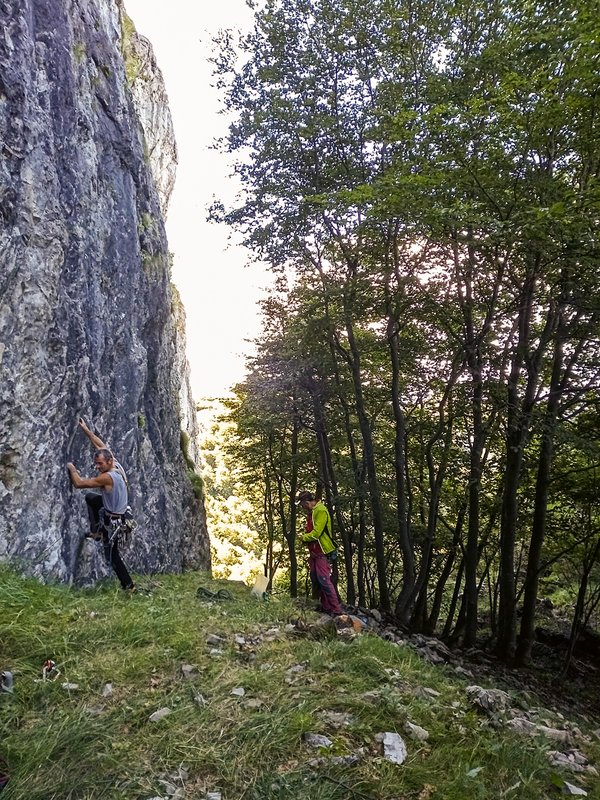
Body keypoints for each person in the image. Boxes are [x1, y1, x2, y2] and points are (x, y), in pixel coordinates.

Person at [67, 418, 135, 592]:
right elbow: (100, 445)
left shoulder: (106, 477)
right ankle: (96, 531)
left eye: (100, 464)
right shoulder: (116, 465)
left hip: (113, 520)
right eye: (96, 463)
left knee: (112, 556)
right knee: (92, 498)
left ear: (109, 462)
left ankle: (129, 586)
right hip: (118, 511)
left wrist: (71, 469)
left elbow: (79, 484)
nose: (97, 467)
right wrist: (86, 430)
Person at [297, 490, 342, 616]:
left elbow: (317, 533)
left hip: (323, 550)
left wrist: (303, 537)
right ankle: (326, 606)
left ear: (307, 502)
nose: (302, 508)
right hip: (314, 551)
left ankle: (336, 609)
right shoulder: (312, 512)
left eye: (302, 505)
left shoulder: (321, 510)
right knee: (316, 579)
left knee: (324, 580)